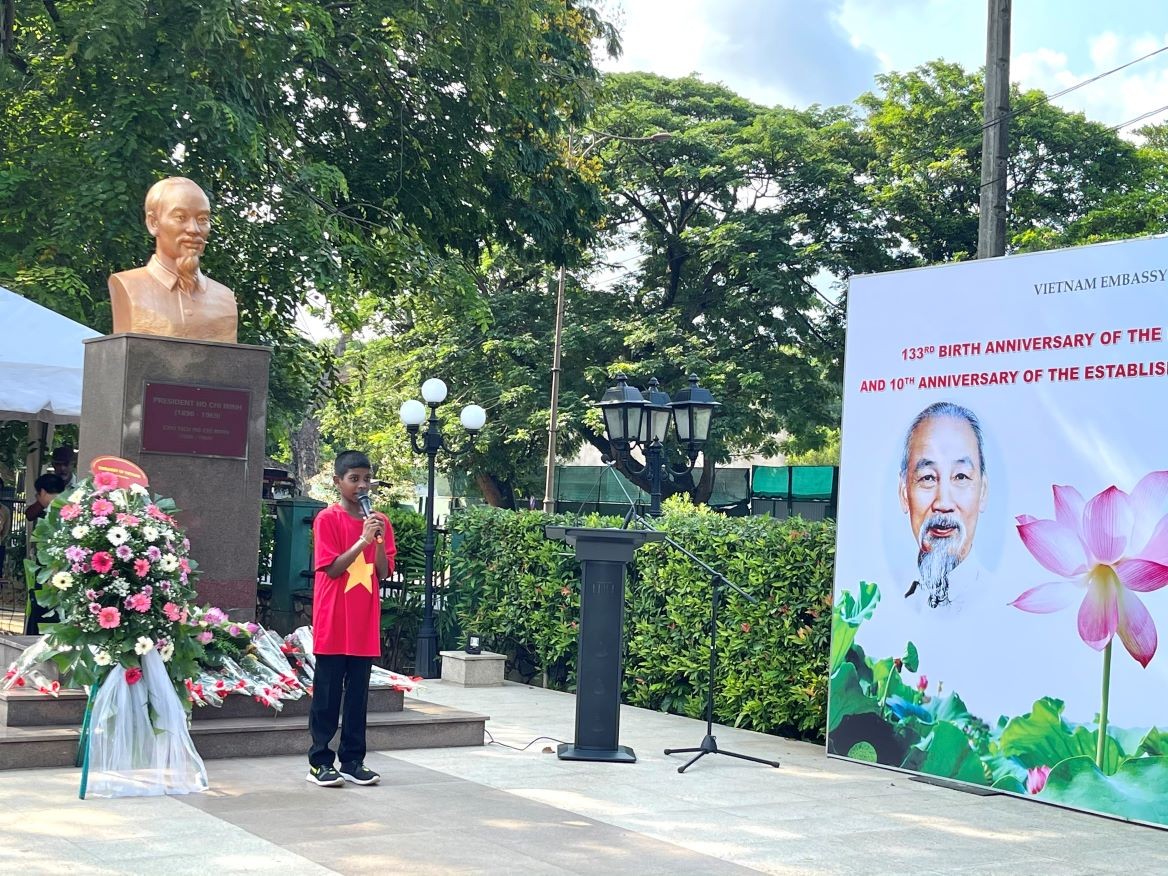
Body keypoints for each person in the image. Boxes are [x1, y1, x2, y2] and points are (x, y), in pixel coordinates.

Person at [307, 450, 396, 787]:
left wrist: (375, 539)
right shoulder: (327, 519)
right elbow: (331, 568)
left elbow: (384, 571)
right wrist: (361, 539)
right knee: (327, 694)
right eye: (353, 479)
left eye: (365, 478)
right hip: (334, 619)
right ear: (337, 482)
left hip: (363, 622)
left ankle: (353, 761)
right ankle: (319, 761)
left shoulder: (380, 522)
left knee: (358, 696)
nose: (361, 485)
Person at [108, 177, 239, 343]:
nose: (194, 229)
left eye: (202, 219)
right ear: (153, 223)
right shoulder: (128, 286)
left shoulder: (224, 298)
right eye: (180, 217)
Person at [898, 401, 988, 611]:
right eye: (927, 478)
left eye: (961, 476)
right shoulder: (879, 599)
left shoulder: (1001, 600)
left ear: (982, 491)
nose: (943, 504)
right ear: (904, 492)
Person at [24, 473, 66, 634]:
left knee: (43, 615)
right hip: (63, 574)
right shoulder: (71, 510)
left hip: (49, 573)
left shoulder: (51, 514)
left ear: (42, 492)